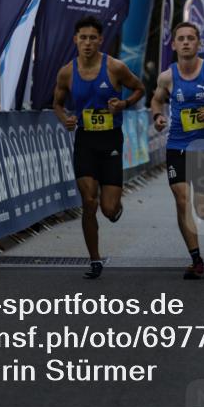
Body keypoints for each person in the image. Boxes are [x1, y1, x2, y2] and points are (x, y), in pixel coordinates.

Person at [54, 16, 145, 279]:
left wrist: (124, 105)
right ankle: (94, 260)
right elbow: (57, 103)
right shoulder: (67, 72)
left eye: (93, 37)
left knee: (108, 209)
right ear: (75, 40)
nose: (87, 43)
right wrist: (65, 119)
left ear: (100, 40)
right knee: (89, 201)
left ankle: (115, 205)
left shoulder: (115, 67)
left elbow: (138, 88)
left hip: (110, 140)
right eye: (83, 37)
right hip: (85, 140)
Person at [152, 22, 204, 279]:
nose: (186, 42)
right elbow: (157, 99)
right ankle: (196, 258)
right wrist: (158, 116)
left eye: (191, 38)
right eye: (181, 38)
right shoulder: (167, 77)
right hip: (177, 145)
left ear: (199, 44)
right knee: (182, 200)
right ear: (174, 44)